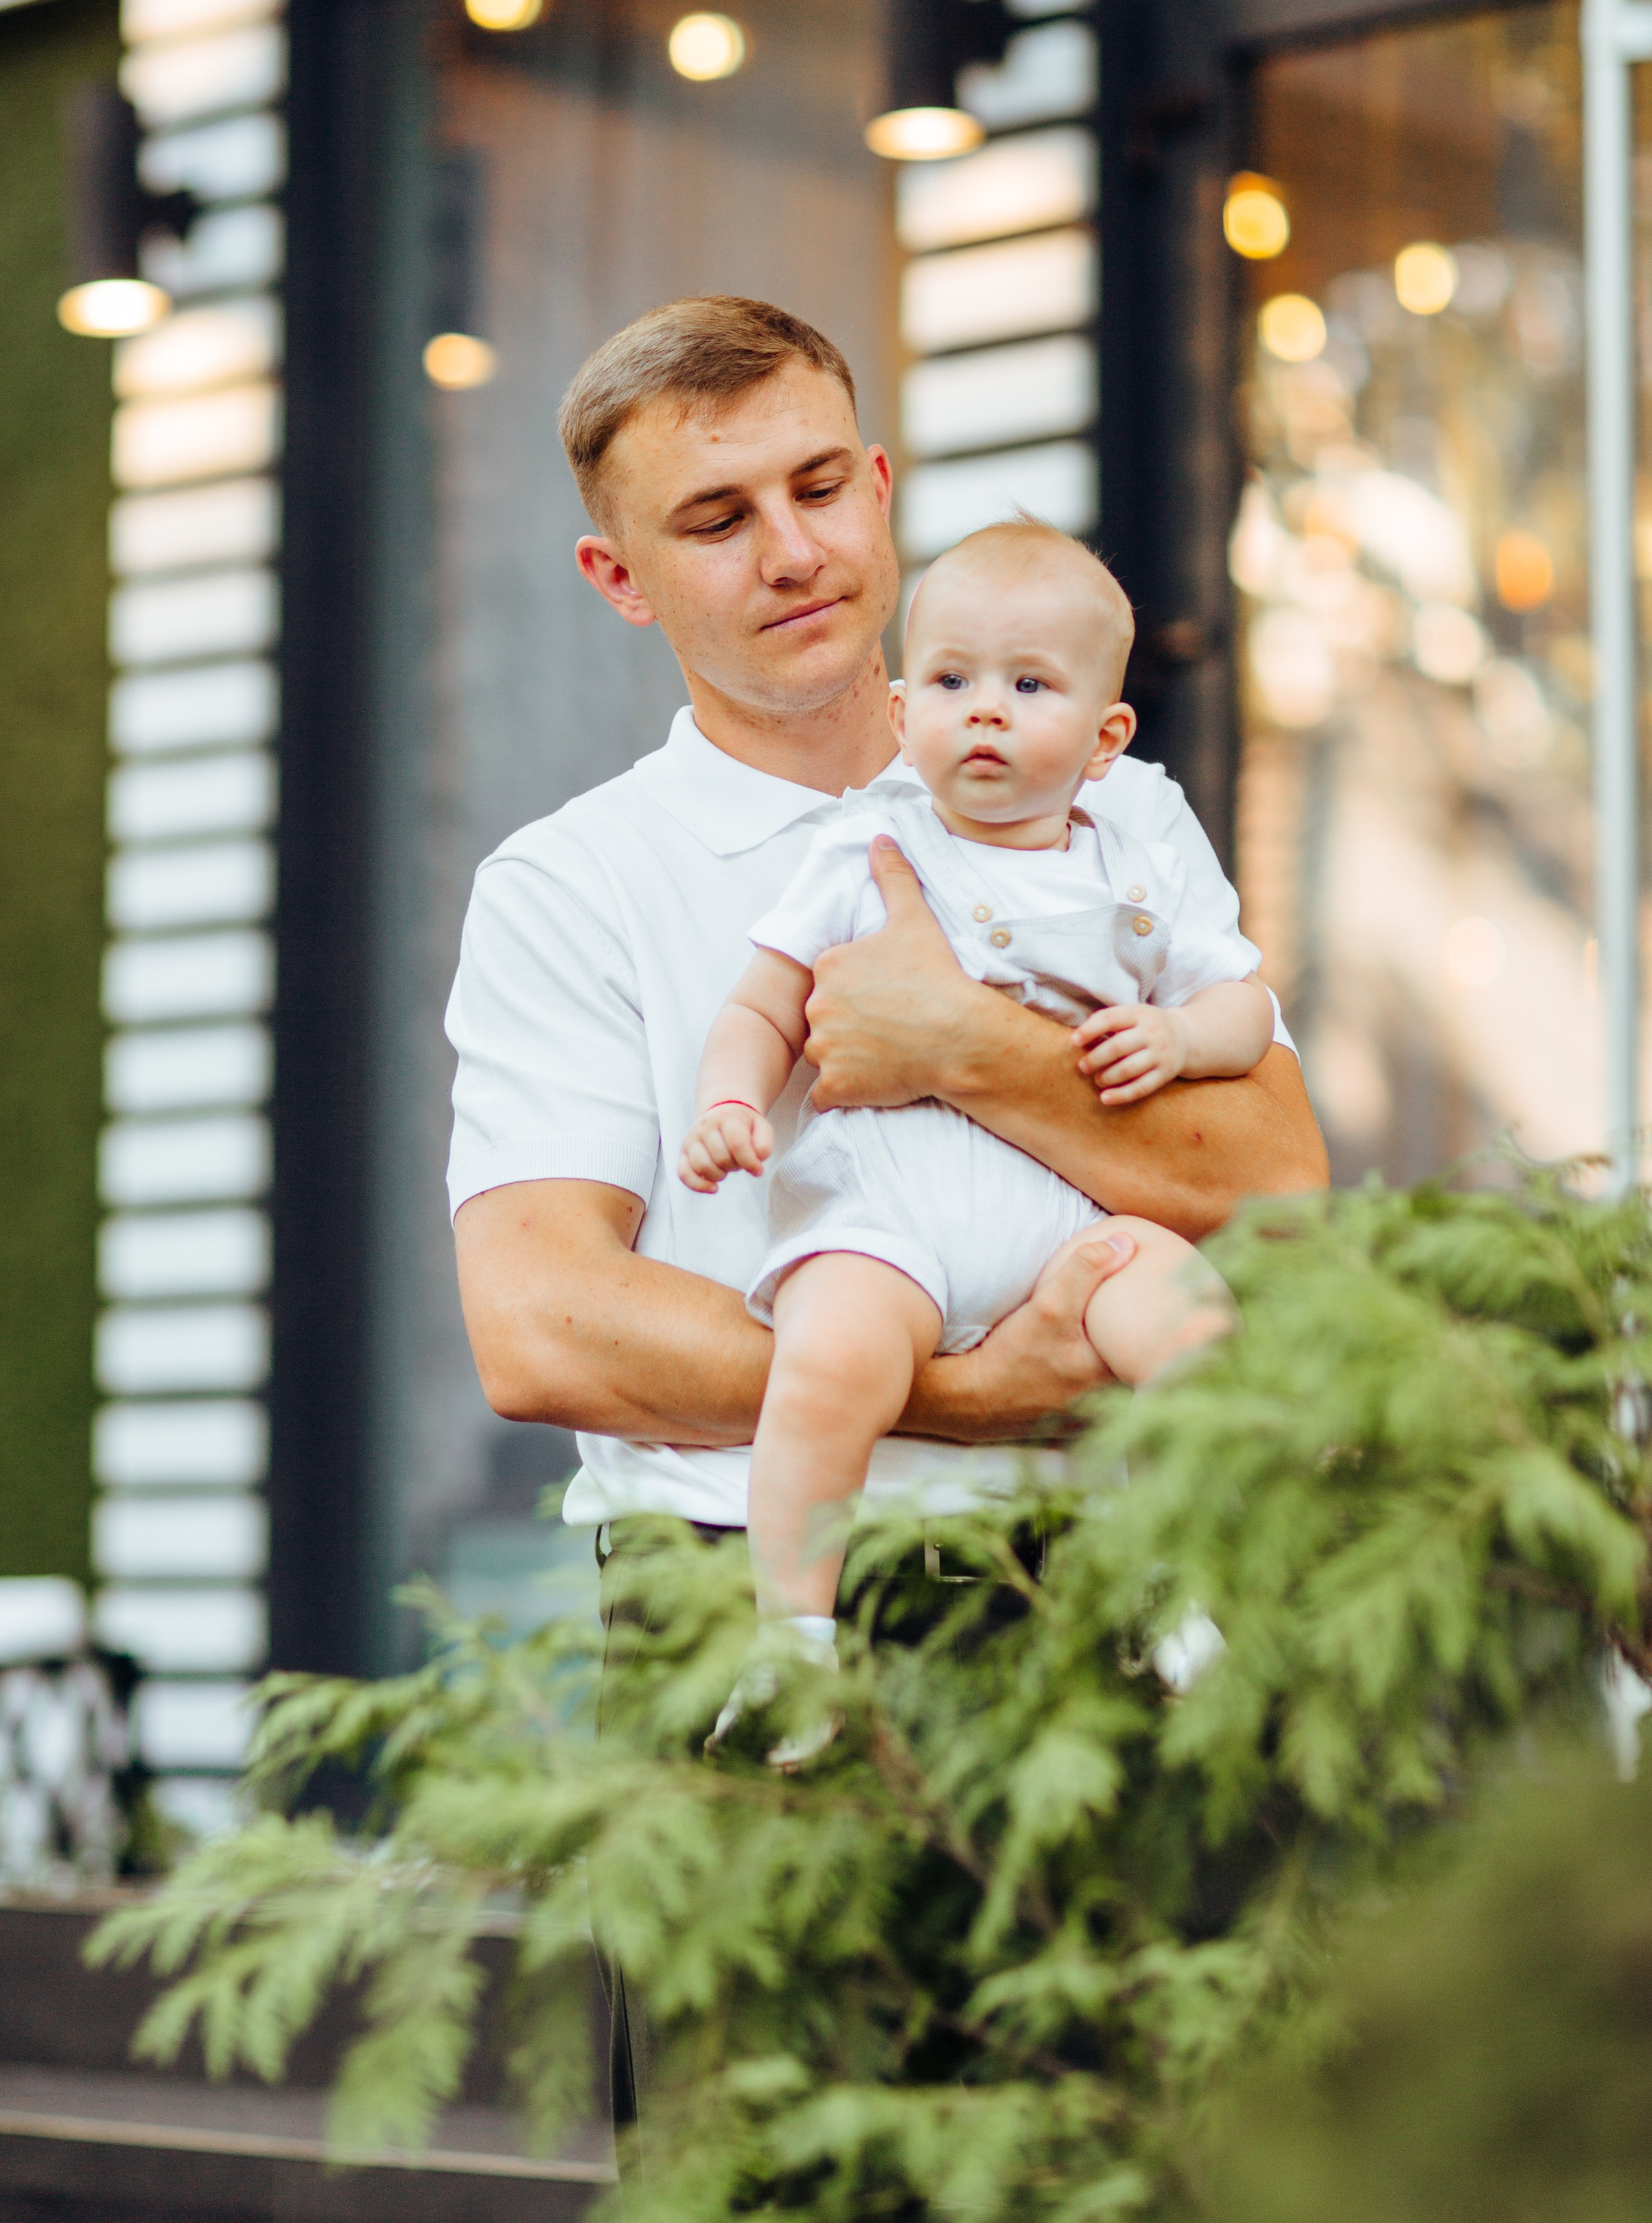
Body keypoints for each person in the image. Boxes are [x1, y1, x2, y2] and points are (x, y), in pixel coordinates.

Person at [444, 294, 1327, 2125]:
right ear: (623, 579)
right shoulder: (574, 884)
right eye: (718, 518)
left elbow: (1278, 1182)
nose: (796, 551)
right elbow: (541, 1324)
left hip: (1119, 1618)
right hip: (760, 1630)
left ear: (883, 485)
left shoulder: (1122, 808)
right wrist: (969, 1387)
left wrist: (963, 1049)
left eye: (821, 484)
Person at [677, 517, 1273, 1662]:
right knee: (827, 1362)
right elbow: (761, 1004)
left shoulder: (1132, 860)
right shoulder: (862, 848)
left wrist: (1180, 1034)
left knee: (1197, 1333)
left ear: (1106, 738)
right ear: (905, 717)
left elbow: (1243, 1003)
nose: (986, 708)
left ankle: (1189, 1579)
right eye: (952, 679)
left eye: (1029, 683)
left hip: (1074, 1232)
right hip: (890, 1219)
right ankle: (793, 1635)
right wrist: (732, 1100)